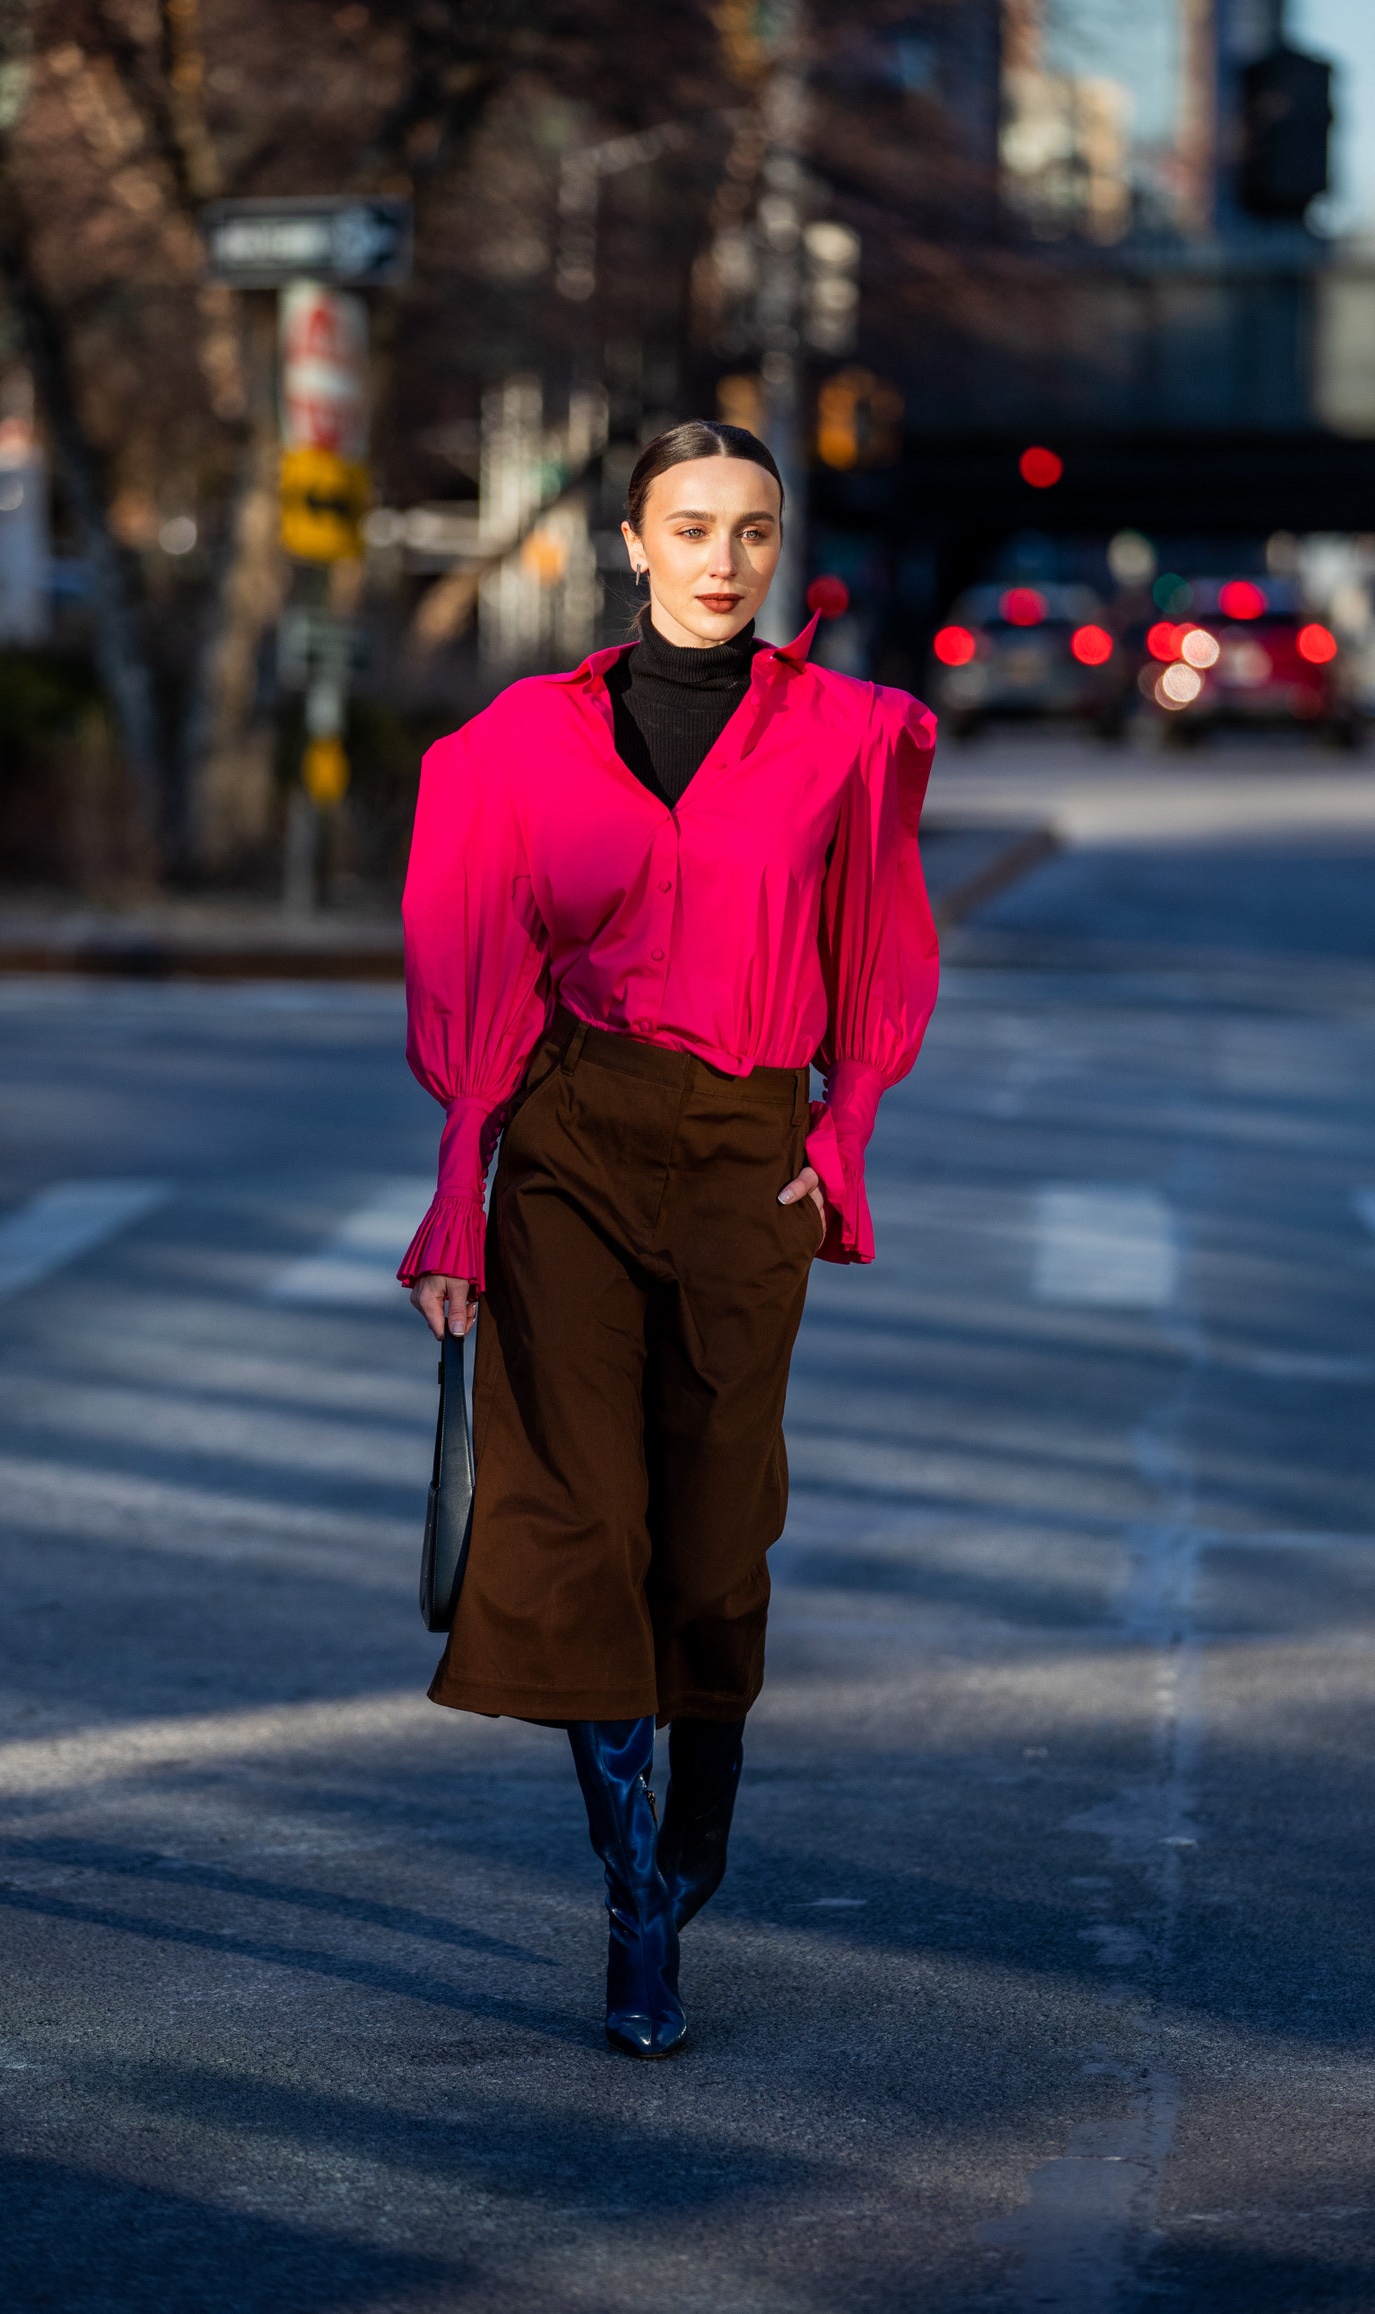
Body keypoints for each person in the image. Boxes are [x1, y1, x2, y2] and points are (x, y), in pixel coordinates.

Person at [398, 420, 938, 2058]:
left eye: (754, 532)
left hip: (742, 1154)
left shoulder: (846, 735)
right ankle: (636, 1910)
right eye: (691, 527)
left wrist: (836, 1141)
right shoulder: (513, 744)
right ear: (631, 542)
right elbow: (468, 969)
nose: (723, 560)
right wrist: (456, 1196)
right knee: (575, 1516)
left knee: (711, 1532)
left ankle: (700, 1815)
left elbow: (877, 957)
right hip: (567, 1138)